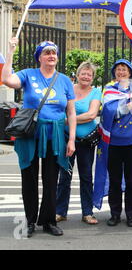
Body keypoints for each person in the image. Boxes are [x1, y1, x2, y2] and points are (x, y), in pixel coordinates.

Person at [1, 38, 76, 237]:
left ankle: (49, 221)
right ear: (39, 57)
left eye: (54, 53)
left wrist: (71, 139)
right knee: (30, 178)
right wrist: (10, 51)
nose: (51, 56)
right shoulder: (28, 74)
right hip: (31, 133)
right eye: (46, 52)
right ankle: (30, 220)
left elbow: (71, 113)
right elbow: (7, 80)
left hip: (56, 135)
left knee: (52, 179)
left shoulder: (64, 80)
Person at [99, 59, 132, 227]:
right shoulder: (109, 90)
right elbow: (113, 112)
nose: (121, 72)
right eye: (118, 69)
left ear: (130, 72)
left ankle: (131, 215)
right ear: (114, 72)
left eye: (124, 69)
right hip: (113, 144)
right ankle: (114, 214)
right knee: (114, 180)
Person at [56, 61, 101, 224]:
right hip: (67, 139)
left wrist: (69, 120)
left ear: (92, 77)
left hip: (86, 142)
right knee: (64, 176)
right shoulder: (69, 89)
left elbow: (91, 115)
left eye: (89, 74)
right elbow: (59, 110)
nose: (86, 76)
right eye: (84, 73)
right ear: (78, 74)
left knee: (86, 177)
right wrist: (69, 120)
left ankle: (87, 212)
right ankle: (60, 211)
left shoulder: (96, 92)